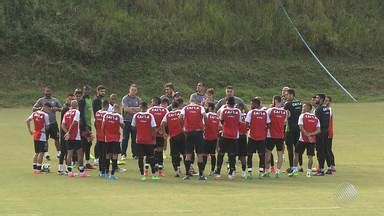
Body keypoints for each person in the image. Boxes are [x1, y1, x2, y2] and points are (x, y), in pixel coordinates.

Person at [289, 102, 320, 177]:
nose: (302, 108)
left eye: (304, 107)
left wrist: (306, 134)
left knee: (296, 153)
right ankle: (309, 172)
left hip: (302, 139)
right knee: (310, 156)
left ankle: (295, 170)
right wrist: (311, 134)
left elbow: (301, 127)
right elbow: (318, 130)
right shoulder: (316, 118)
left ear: (309, 108)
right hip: (312, 140)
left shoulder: (302, 116)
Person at [179, 97, 207, 180]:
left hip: (189, 132)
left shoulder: (185, 108)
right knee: (200, 154)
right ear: (196, 102)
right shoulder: (200, 107)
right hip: (198, 132)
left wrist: (182, 127)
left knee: (188, 154)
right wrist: (205, 127)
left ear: (190, 102)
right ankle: (201, 175)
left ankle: (187, 174)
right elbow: (205, 116)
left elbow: (180, 117)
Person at [61, 100, 90, 177]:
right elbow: (75, 122)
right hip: (76, 136)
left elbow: (62, 125)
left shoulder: (66, 113)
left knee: (69, 154)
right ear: (76, 105)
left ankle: (69, 172)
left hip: (69, 137)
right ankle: (82, 172)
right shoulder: (77, 112)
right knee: (80, 153)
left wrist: (67, 132)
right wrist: (69, 132)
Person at [33, 86, 62, 160]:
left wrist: (57, 109)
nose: (47, 93)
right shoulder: (41, 100)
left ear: (51, 92)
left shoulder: (55, 100)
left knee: (56, 138)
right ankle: (46, 153)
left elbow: (62, 108)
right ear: (44, 92)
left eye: (49, 91)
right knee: (45, 139)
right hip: (44, 123)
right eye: (46, 91)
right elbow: (34, 108)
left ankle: (59, 152)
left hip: (53, 122)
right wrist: (41, 108)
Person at [215, 97, 241, 180]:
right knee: (232, 155)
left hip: (225, 135)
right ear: (234, 103)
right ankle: (231, 173)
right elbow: (239, 122)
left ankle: (218, 172)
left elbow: (221, 121)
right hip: (234, 136)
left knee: (221, 154)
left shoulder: (224, 110)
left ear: (227, 103)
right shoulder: (238, 111)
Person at [131, 102, 159, 181]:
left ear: (140, 107)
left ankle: (142, 175)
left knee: (140, 158)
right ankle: (153, 174)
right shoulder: (150, 116)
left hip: (139, 139)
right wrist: (153, 139)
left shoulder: (136, 115)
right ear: (147, 107)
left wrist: (139, 131)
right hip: (148, 140)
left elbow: (133, 127)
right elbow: (153, 128)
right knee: (151, 157)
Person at [246, 98, 270, 178]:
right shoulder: (265, 113)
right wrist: (262, 129)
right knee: (261, 155)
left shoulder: (251, 112)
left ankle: (249, 172)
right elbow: (268, 124)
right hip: (262, 138)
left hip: (252, 137)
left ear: (256, 104)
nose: (251, 105)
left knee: (250, 155)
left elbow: (247, 123)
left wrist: (252, 128)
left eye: (252, 104)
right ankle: (261, 172)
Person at [161, 101, 186, 177]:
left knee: (174, 154)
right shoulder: (181, 112)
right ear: (178, 106)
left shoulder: (168, 114)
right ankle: (188, 169)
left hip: (173, 137)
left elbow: (162, 124)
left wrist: (165, 133)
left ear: (171, 107)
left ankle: (177, 171)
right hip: (182, 135)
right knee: (185, 153)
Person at [265, 96, 287, 178]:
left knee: (267, 153)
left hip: (270, 135)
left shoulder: (270, 110)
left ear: (275, 100)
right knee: (280, 154)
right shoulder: (284, 112)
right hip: (280, 136)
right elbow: (284, 123)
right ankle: (278, 172)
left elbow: (267, 121)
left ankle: (267, 172)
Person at [102, 104, 124, 180]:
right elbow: (122, 126)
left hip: (107, 138)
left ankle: (106, 173)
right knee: (115, 156)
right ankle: (112, 174)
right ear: (118, 109)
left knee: (107, 155)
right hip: (116, 138)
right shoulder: (119, 116)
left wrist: (105, 135)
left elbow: (103, 127)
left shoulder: (106, 115)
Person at [27, 103, 50, 174]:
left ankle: (34, 169)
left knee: (36, 152)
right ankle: (39, 169)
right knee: (41, 152)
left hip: (35, 134)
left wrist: (30, 130)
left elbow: (27, 121)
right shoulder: (45, 115)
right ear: (45, 107)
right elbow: (47, 126)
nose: (49, 110)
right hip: (42, 135)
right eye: (48, 109)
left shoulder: (34, 113)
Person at [148, 97, 169, 176]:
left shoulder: (150, 110)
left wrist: (154, 130)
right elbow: (166, 121)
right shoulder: (165, 110)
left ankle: (154, 165)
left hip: (152, 133)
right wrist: (161, 130)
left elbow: (148, 121)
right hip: (161, 133)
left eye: (152, 101)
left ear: (155, 102)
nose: (151, 102)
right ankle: (160, 166)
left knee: (153, 150)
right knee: (160, 150)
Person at [283, 88, 303, 173]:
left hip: (290, 128)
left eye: (287, 94)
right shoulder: (300, 102)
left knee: (290, 148)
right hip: (298, 128)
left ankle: (291, 166)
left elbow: (284, 114)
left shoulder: (288, 104)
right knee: (298, 148)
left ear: (291, 95)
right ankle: (300, 166)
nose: (285, 96)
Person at [121, 84, 142, 160]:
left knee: (134, 138)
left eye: (135, 90)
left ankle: (135, 154)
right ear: (129, 90)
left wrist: (131, 109)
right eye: (132, 90)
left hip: (135, 122)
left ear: (136, 91)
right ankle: (123, 154)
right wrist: (134, 109)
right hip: (126, 121)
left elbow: (140, 109)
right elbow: (126, 109)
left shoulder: (138, 99)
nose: (133, 91)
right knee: (125, 138)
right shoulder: (125, 98)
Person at [78, 85, 95, 170]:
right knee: (85, 143)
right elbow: (81, 114)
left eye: (88, 90)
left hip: (88, 124)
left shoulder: (89, 99)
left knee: (89, 143)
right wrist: (85, 127)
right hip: (84, 126)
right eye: (85, 90)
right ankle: (82, 163)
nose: (86, 91)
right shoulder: (82, 100)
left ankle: (87, 162)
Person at [314, 94, 331, 176]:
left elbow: (316, 122)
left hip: (320, 132)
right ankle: (329, 168)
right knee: (325, 150)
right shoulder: (327, 109)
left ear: (321, 99)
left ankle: (321, 170)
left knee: (320, 151)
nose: (316, 99)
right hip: (325, 131)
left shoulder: (319, 109)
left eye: (317, 98)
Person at [57, 94, 75, 175]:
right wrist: (67, 132)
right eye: (70, 99)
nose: (71, 101)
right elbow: (64, 123)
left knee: (68, 151)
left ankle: (67, 169)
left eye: (72, 99)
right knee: (64, 151)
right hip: (64, 132)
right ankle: (61, 169)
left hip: (67, 132)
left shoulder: (69, 109)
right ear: (66, 100)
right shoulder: (65, 109)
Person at [203, 102, 220, 176]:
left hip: (206, 137)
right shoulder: (217, 116)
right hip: (214, 138)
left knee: (205, 155)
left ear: (209, 108)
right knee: (213, 155)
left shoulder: (207, 115)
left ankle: (202, 170)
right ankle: (212, 171)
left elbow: (203, 124)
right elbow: (220, 127)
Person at [92, 85, 106, 165]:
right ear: (97, 91)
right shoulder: (96, 100)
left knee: (102, 139)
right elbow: (97, 112)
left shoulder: (101, 99)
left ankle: (100, 156)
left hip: (102, 121)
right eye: (101, 91)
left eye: (104, 91)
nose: (103, 93)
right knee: (99, 140)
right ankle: (97, 158)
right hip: (98, 121)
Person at [95, 100, 109, 177]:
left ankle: (100, 171)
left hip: (98, 136)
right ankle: (104, 171)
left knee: (100, 155)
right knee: (105, 155)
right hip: (105, 137)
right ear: (107, 106)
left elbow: (95, 124)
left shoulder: (97, 113)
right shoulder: (107, 114)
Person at [236, 103, 249, 178]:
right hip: (244, 136)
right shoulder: (246, 115)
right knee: (243, 156)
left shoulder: (236, 114)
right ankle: (244, 172)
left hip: (236, 136)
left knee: (232, 154)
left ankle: (232, 170)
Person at [325, 96, 336, 172]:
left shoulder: (329, 109)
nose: (326, 102)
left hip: (328, 132)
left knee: (328, 149)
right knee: (324, 149)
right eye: (325, 100)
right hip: (325, 131)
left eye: (327, 101)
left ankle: (332, 165)